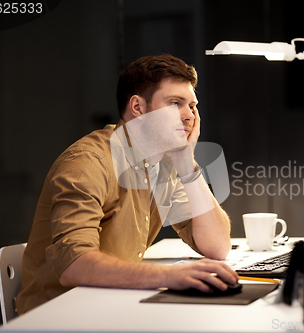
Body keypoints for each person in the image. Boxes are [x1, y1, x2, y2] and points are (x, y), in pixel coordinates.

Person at [16, 54, 238, 314]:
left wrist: (187, 165)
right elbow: (73, 265)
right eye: (176, 103)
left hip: (113, 306)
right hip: (60, 317)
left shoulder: (162, 163)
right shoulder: (88, 163)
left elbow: (217, 246)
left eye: (192, 106)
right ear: (138, 107)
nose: (189, 116)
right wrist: (168, 277)